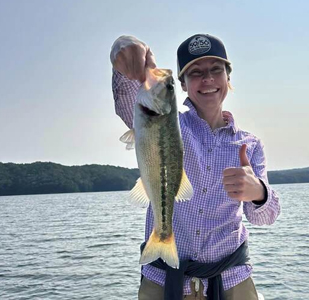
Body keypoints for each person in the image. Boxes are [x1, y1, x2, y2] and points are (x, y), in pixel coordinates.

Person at [110, 34, 281, 300]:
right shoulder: (166, 122)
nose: (208, 79)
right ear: (183, 85)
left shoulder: (250, 145)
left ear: (228, 78)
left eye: (216, 70)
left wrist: (258, 192)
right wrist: (124, 51)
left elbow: (264, 217)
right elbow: (127, 102)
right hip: (163, 278)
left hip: (231, 280)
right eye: (196, 73)